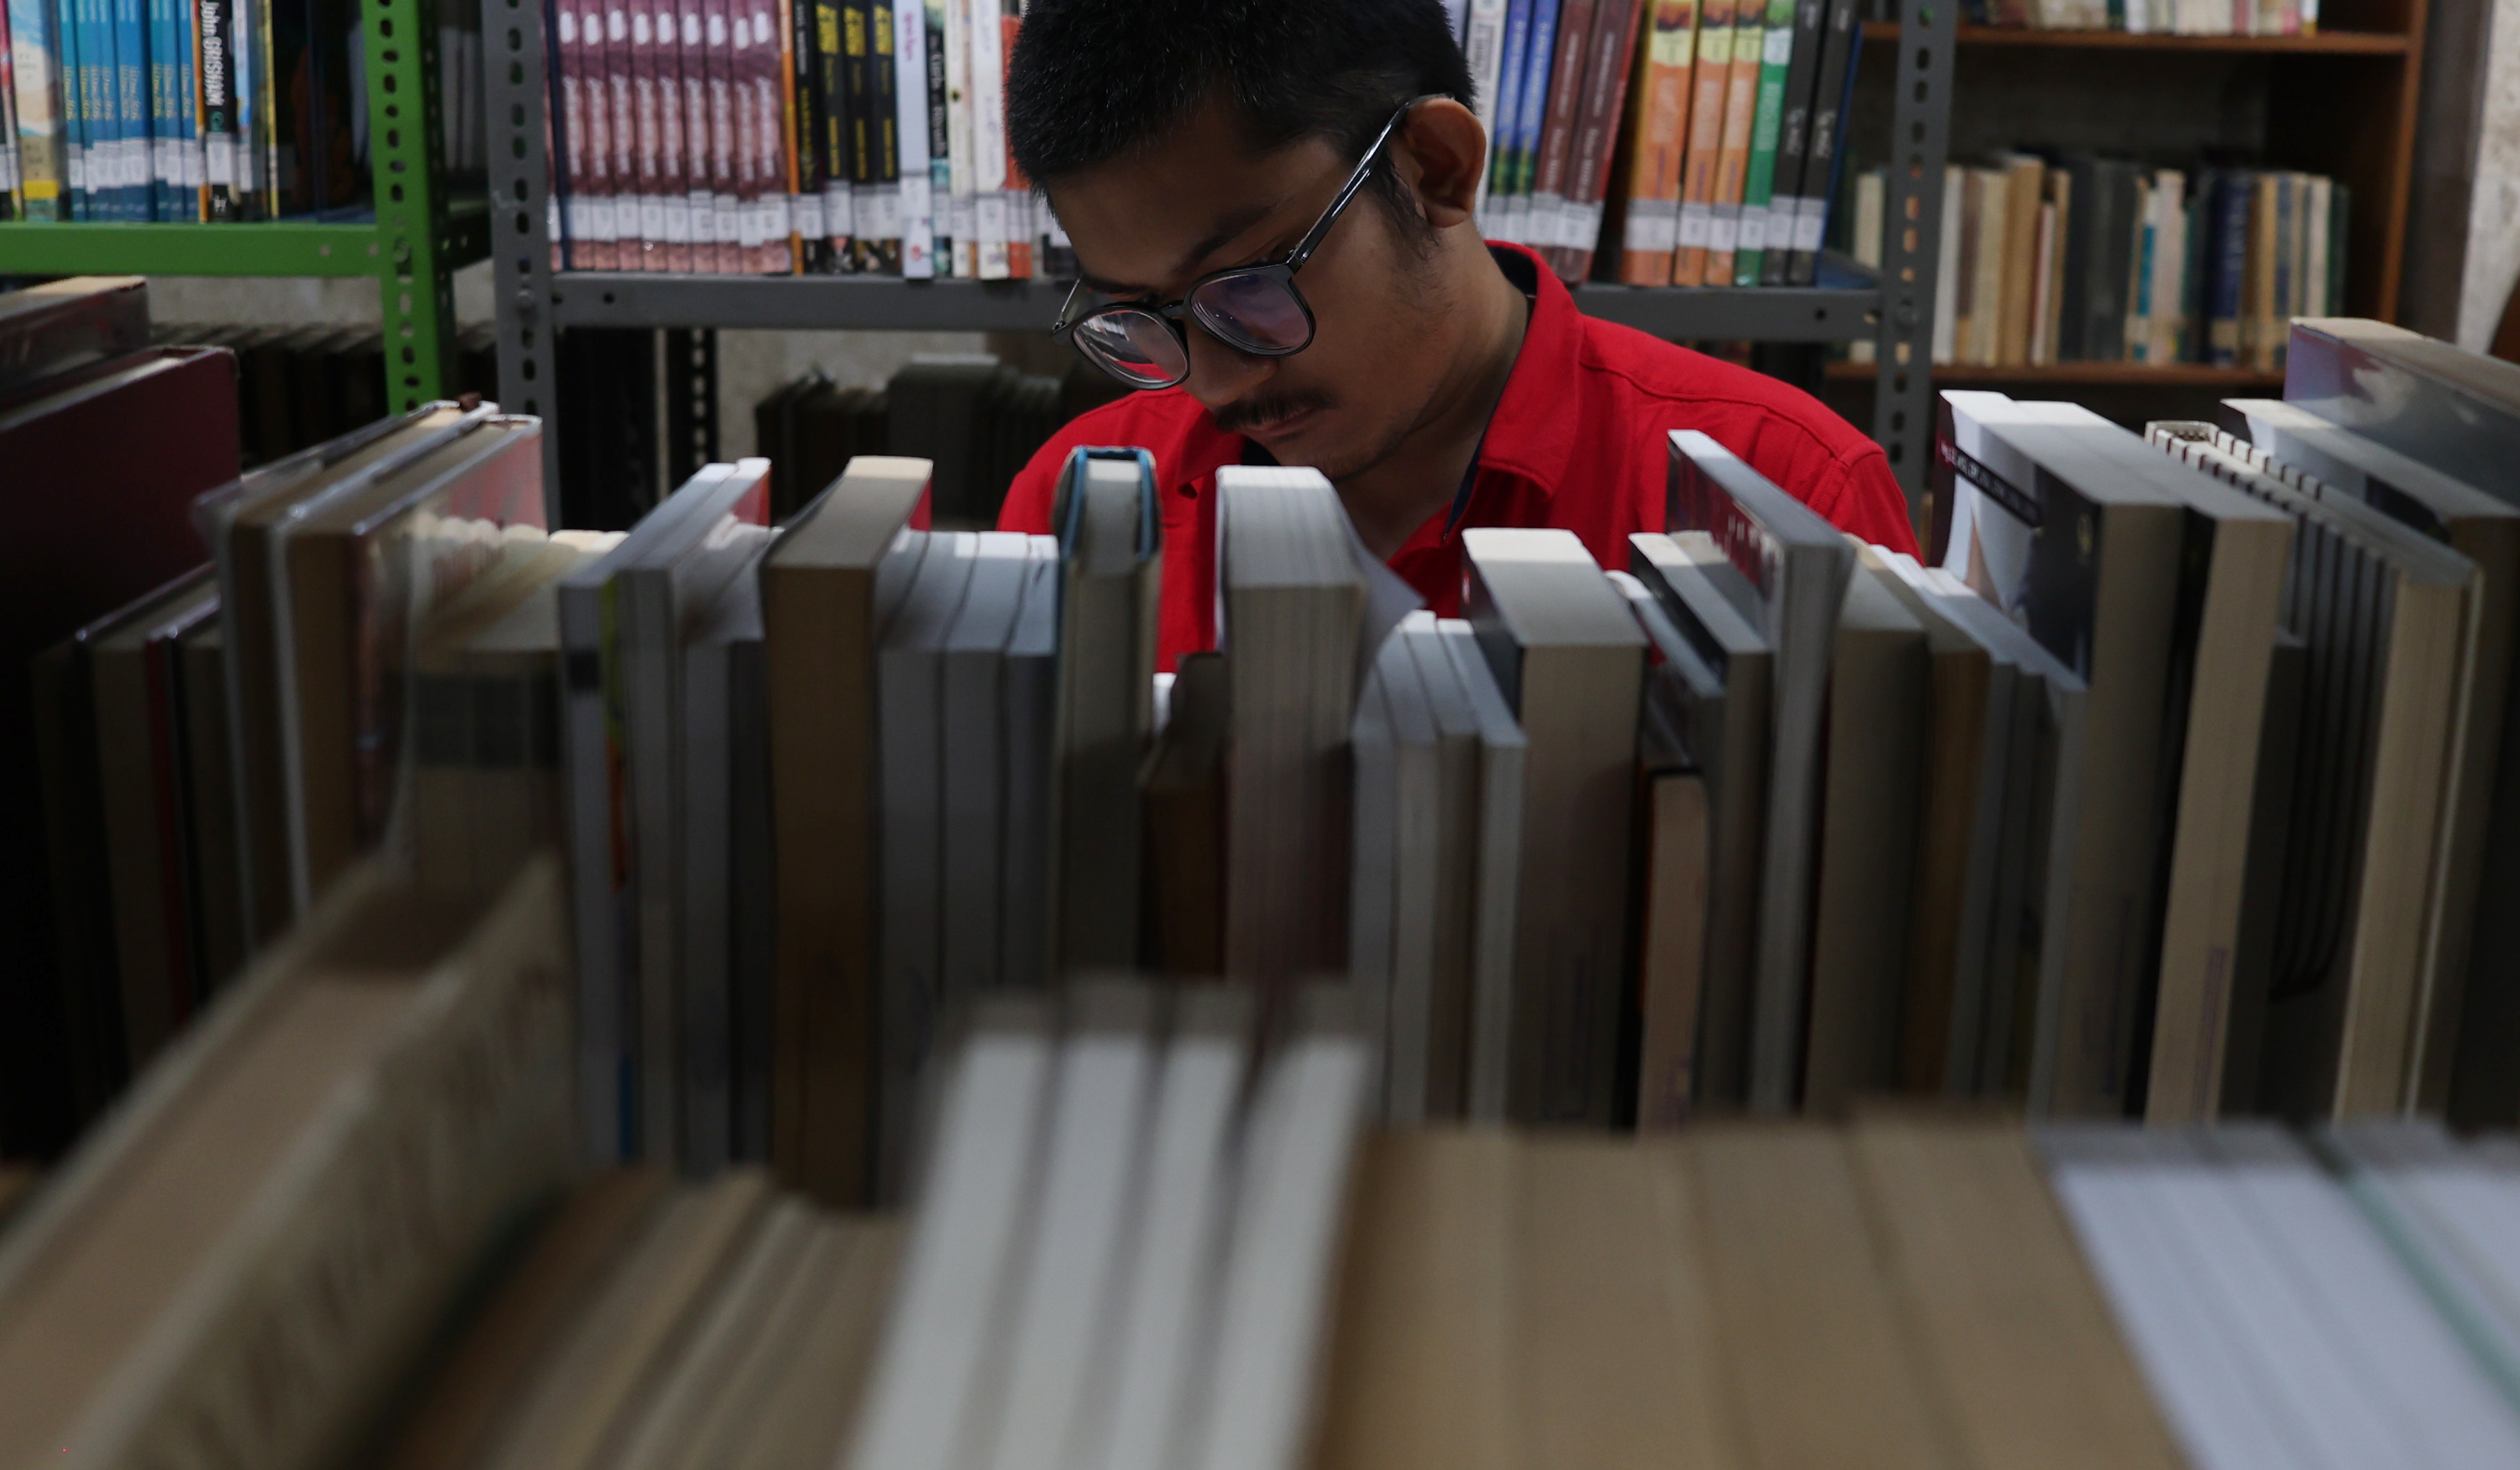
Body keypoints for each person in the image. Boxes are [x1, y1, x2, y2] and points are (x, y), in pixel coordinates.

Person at [997, 0, 1918, 670]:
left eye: (1248, 288)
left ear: (1436, 168)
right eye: (1143, 317)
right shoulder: (1081, 505)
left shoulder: (1789, 498)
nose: (1216, 384)